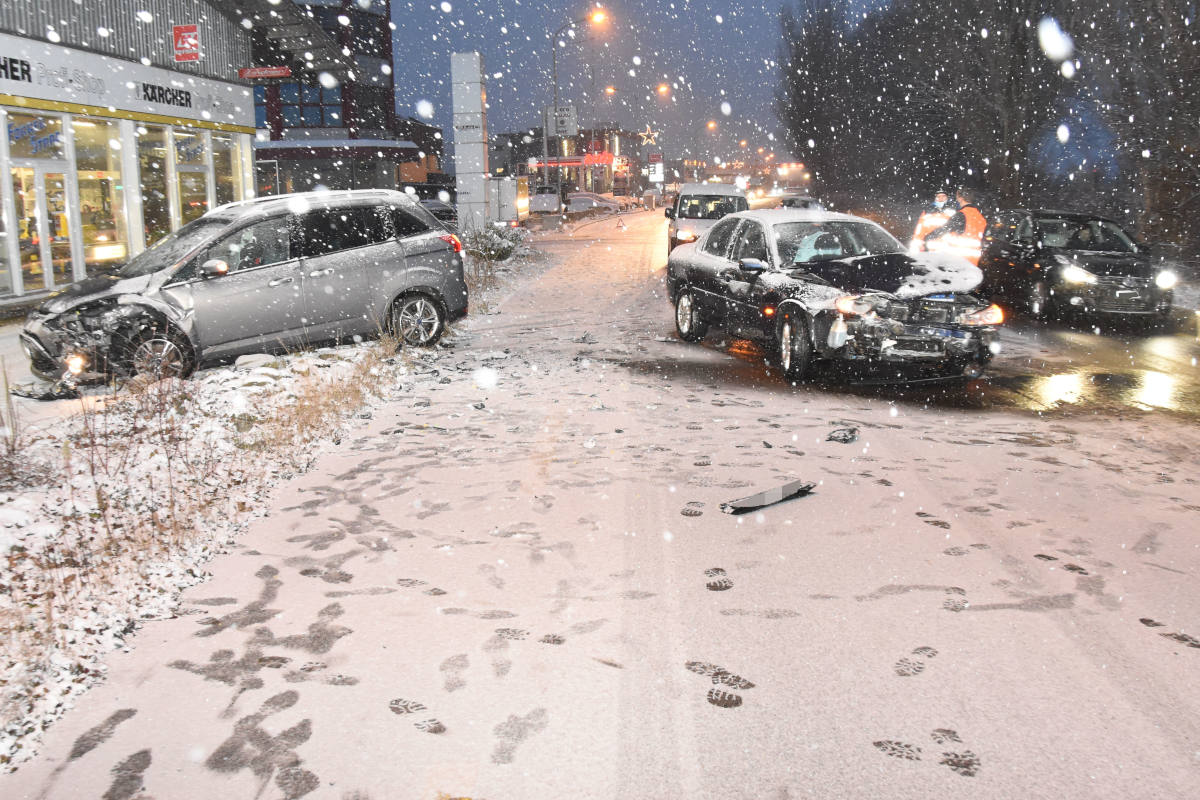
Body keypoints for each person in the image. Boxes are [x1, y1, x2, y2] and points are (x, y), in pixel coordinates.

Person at [923, 187, 987, 266]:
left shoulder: (962, 214)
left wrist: (927, 238)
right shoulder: (980, 217)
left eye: (957, 196)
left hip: (958, 261)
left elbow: (944, 229)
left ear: (961, 198)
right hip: (973, 263)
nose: (956, 199)